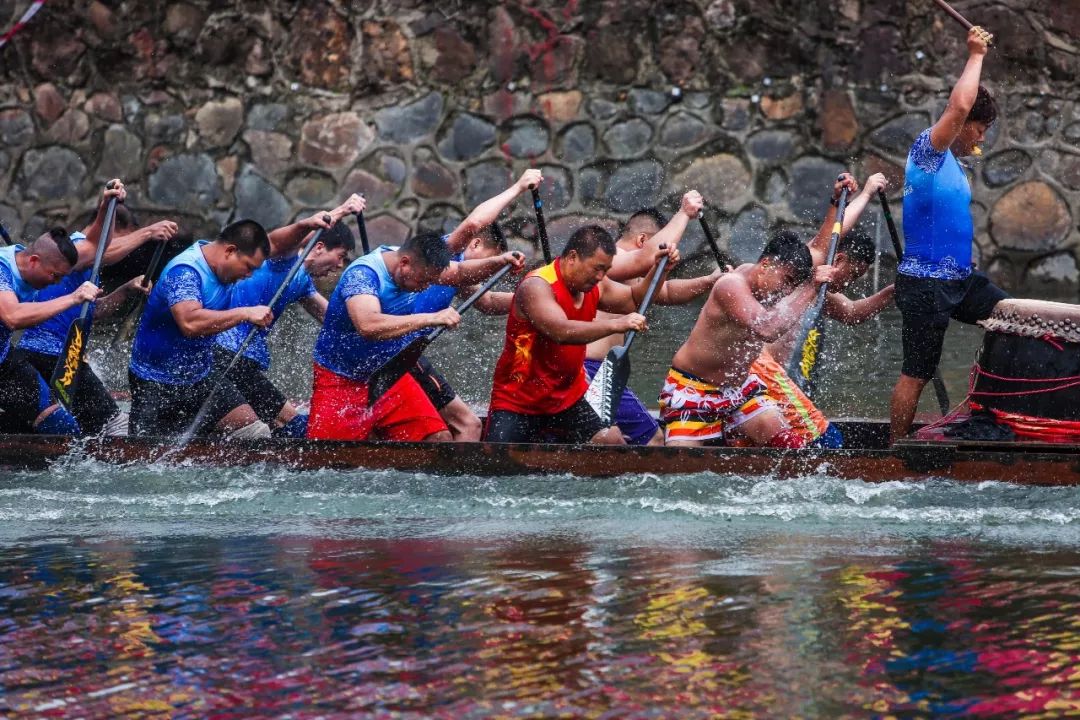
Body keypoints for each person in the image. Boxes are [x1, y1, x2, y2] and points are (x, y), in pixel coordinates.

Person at [890, 24, 1006, 441]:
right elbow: (959, 108)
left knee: (1014, 321)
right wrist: (975, 54)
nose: (980, 136)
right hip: (924, 284)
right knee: (916, 374)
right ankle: (895, 450)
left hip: (960, 279)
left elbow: (968, 107)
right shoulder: (928, 153)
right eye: (980, 128)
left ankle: (991, 416)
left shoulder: (955, 164)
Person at [128, 213, 333, 438]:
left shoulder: (231, 262)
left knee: (255, 434)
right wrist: (244, 313)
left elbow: (275, 243)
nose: (249, 275)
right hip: (154, 382)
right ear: (230, 251)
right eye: (248, 267)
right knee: (144, 458)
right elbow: (190, 322)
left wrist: (306, 225)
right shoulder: (186, 271)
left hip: (201, 377)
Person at [307, 231, 525, 442]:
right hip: (340, 378)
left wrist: (500, 261)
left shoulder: (417, 263)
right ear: (404, 263)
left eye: (431, 282)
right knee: (329, 456)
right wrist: (430, 318)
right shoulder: (363, 275)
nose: (425, 288)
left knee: (438, 438)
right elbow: (368, 324)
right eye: (423, 282)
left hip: (388, 376)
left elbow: (459, 273)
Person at [484, 225, 680, 445]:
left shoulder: (597, 285)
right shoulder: (537, 286)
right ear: (572, 257)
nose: (600, 277)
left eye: (605, 270)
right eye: (596, 268)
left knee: (612, 441)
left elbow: (635, 300)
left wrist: (660, 270)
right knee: (497, 468)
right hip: (518, 401)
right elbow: (561, 331)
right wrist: (617, 324)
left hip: (569, 396)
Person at [748, 173, 897, 449]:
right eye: (851, 276)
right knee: (828, 443)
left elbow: (852, 313)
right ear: (837, 259)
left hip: (772, 389)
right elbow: (825, 240)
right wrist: (863, 195)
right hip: (760, 377)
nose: (849, 284)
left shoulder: (821, 292)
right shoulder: (801, 272)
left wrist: (892, 291)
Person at [15, 200, 178, 436]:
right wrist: (149, 232)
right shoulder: (74, 249)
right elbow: (102, 252)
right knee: (116, 426)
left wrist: (125, 289)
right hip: (55, 357)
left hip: (54, 356)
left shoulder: (84, 264)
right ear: (116, 230)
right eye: (126, 239)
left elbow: (95, 311)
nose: (127, 251)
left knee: (68, 423)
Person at [659, 233, 838, 447]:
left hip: (740, 390)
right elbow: (767, 329)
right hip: (692, 390)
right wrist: (811, 289)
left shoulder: (764, 280)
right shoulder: (731, 285)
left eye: (794, 285)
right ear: (765, 264)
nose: (787, 291)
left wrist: (839, 204)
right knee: (682, 471)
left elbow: (818, 249)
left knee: (789, 449)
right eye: (787, 281)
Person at [212, 196, 365, 438]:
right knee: (290, 424)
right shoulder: (284, 263)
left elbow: (334, 320)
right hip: (225, 355)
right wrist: (340, 211)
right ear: (319, 246)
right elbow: (276, 240)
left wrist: (377, 327)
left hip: (243, 362)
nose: (339, 266)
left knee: (285, 425)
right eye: (341, 256)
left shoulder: (302, 281)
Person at [584, 192, 724, 445]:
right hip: (588, 369)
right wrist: (684, 213)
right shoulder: (608, 259)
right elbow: (644, 258)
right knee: (655, 440)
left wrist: (709, 281)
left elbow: (667, 292)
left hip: (602, 371)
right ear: (642, 240)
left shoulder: (631, 275)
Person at [409, 226, 517, 441]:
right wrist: (518, 189)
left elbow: (488, 302)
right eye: (490, 261)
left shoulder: (458, 273)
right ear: (475, 243)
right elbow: (473, 222)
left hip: (406, 354)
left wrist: (532, 295)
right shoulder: (442, 255)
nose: (489, 271)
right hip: (400, 353)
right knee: (470, 426)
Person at [0, 228, 102, 434]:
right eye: (54, 276)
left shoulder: (35, 262)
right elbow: (13, 317)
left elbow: (92, 248)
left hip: (3, 358)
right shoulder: (2, 269)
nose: (55, 283)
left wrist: (108, 204)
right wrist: (73, 298)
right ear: (34, 261)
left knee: (62, 427)